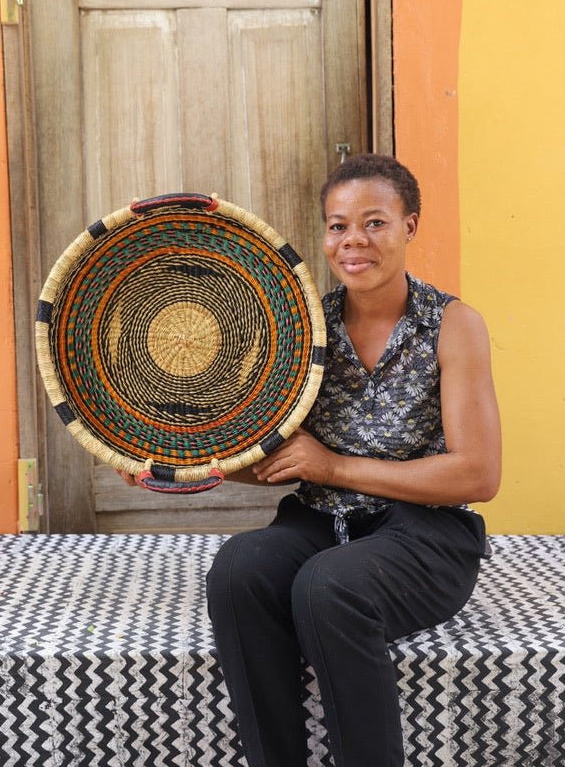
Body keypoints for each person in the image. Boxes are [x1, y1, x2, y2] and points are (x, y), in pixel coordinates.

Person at [204, 154, 501, 767]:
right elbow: (272, 455)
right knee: (238, 569)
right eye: (338, 226)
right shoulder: (299, 328)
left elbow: (478, 473)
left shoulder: (452, 327)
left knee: (328, 586)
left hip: (426, 534)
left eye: (374, 223)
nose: (353, 242)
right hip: (319, 522)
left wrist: (334, 467)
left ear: (410, 227)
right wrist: (173, 470)